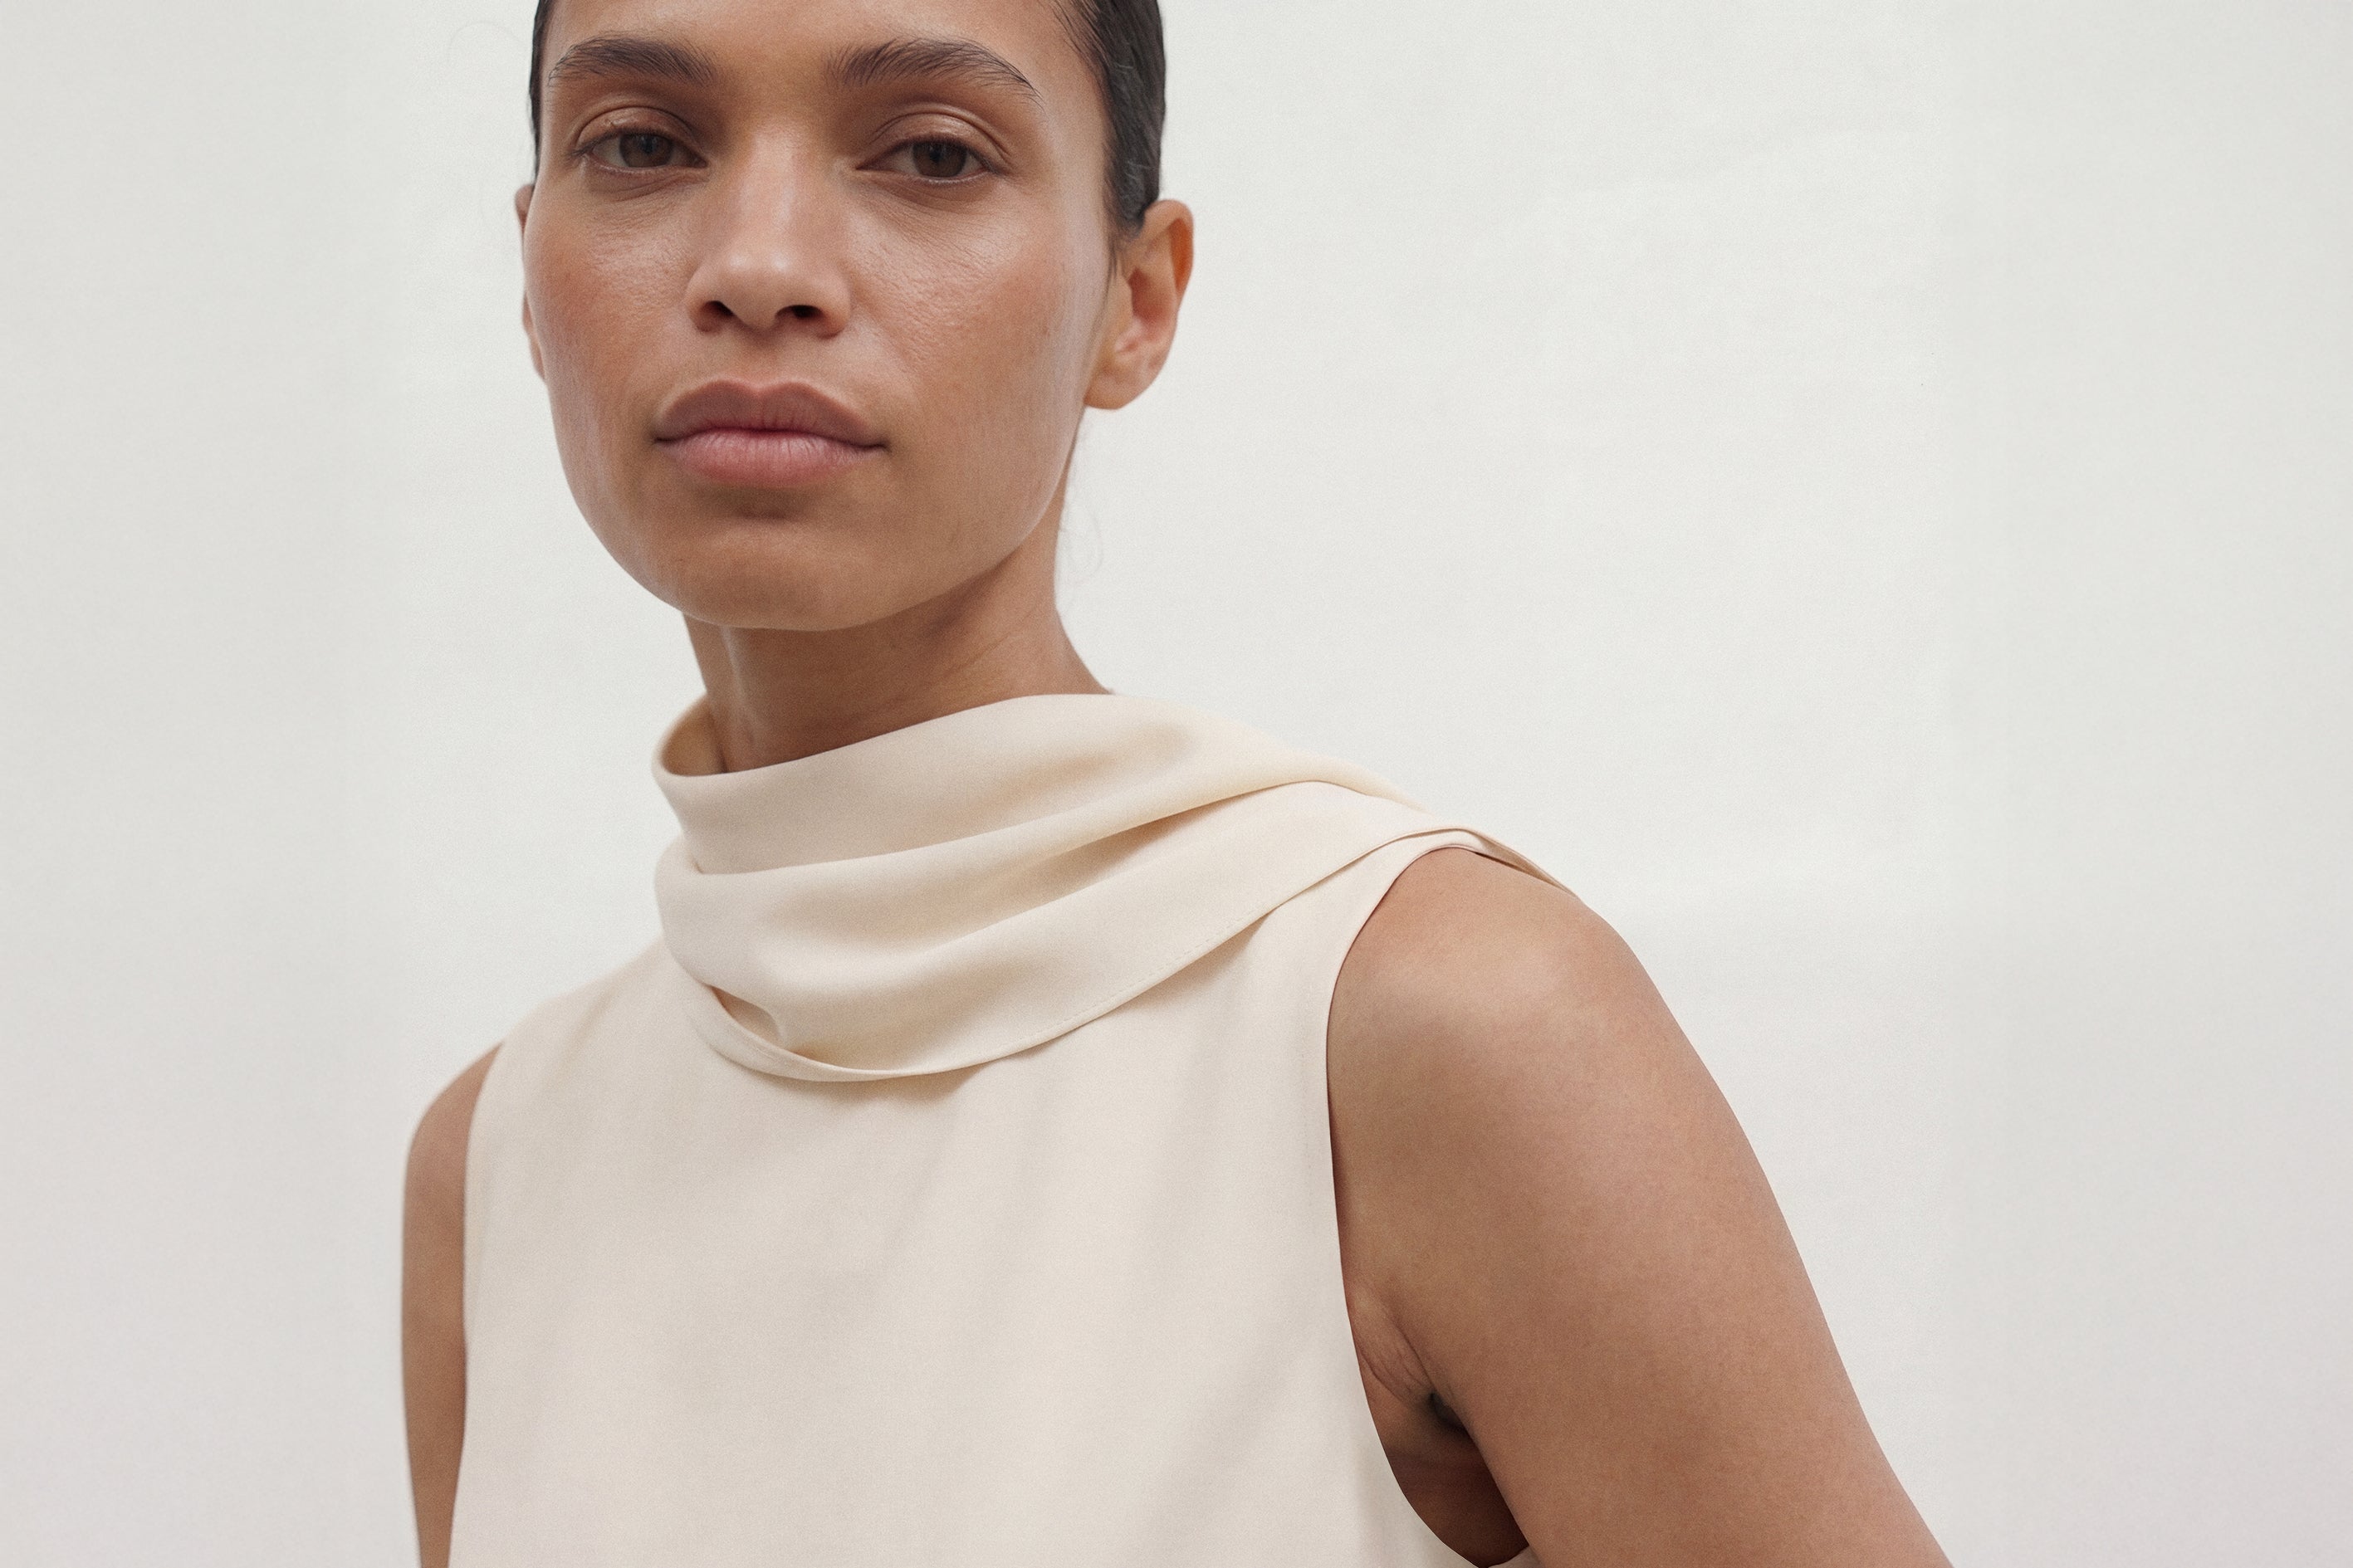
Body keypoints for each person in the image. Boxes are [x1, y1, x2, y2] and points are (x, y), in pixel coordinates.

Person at [400, 1, 1952, 1564]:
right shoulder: (501, 1164)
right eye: (642, 144)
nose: (758, 264)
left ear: (1133, 302)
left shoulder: (1436, 1028)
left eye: (932, 155)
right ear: (530, 269)